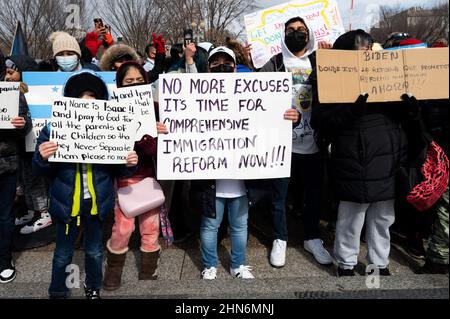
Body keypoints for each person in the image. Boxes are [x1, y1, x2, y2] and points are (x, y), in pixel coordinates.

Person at [311, 30, 416, 276]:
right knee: (351, 217)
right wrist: (350, 110)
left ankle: (378, 264)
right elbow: (320, 120)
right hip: (352, 158)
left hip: (387, 156)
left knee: (383, 217)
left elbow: (402, 117)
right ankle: (347, 262)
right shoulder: (330, 79)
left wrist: (411, 109)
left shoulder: (388, 75)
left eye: (368, 50)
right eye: (359, 51)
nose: (365, 56)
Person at [190, 47, 299, 280]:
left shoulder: (252, 95)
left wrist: (292, 118)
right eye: (215, 63)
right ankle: (210, 265)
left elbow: (271, 120)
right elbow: (182, 125)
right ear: (207, 69)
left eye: (226, 62)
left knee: (240, 227)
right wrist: (165, 128)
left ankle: (238, 264)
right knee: (210, 226)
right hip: (211, 183)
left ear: (234, 66)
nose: (222, 67)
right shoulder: (194, 98)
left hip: (242, 182)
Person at [32, 70, 138, 299]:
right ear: (71, 101)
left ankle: (93, 288)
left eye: (92, 96)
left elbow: (120, 170)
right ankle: (58, 291)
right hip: (66, 205)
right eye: (81, 96)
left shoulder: (111, 130)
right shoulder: (52, 130)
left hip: (96, 205)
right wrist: (42, 156)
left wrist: (129, 163)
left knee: (94, 251)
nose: (86, 101)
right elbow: (39, 170)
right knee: (62, 253)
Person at [259, 16, 332, 268]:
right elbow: (258, 97)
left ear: (308, 34)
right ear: (283, 34)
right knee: (280, 196)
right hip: (283, 145)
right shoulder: (275, 63)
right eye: (291, 30)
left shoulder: (318, 61)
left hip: (314, 143)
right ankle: (280, 238)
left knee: (313, 195)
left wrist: (332, 61)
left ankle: (312, 238)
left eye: (301, 30)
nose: (296, 33)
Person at [102, 61, 171, 291]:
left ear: (146, 81)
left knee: (150, 226)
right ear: (119, 85)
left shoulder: (156, 108)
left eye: (138, 80)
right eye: (128, 81)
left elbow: (154, 151)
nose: (133, 84)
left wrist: (151, 136)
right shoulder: (111, 110)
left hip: (149, 178)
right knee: (122, 227)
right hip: (124, 178)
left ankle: (149, 269)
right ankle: (113, 269)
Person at [4, 55, 52, 234]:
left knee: (34, 181)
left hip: (33, 144)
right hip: (19, 145)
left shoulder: (29, 91)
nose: (8, 77)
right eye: (5, 73)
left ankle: (43, 213)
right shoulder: (8, 91)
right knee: (25, 180)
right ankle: (32, 211)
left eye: (11, 72)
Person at [0, 53, 33, 283]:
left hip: (6, 164)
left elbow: (26, 124)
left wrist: (21, 125)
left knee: (4, 216)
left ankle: (4, 259)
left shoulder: (10, 93)